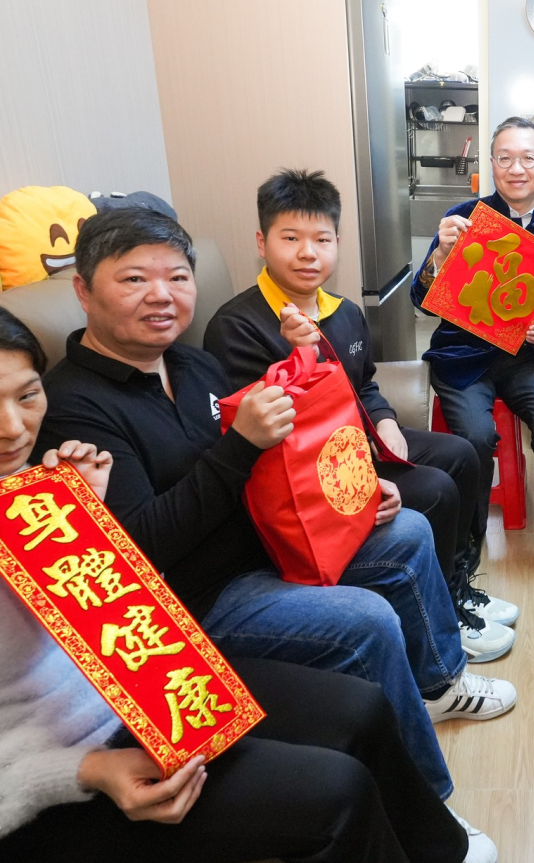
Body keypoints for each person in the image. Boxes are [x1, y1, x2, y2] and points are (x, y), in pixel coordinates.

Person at [0, 297, 496, 863]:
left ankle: (437, 850)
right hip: (42, 780)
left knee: (359, 708)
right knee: (336, 789)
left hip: (135, 696)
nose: (12, 427)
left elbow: (106, 623)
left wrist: (88, 523)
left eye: (27, 395)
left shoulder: (28, 489)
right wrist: (82, 773)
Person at [34, 207, 517, 805]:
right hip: (202, 598)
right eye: (134, 279)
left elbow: (283, 456)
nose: (161, 296)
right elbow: (139, 551)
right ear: (83, 289)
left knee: (409, 528)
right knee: (367, 620)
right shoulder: (71, 409)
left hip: (267, 544)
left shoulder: (191, 363)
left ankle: (440, 685)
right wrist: (240, 445)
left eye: (177, 277)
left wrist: (355, 491)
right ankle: (427, 803)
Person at [204, 168, 518, 664]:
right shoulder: (236, 326)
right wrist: (365, 475)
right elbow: (269, 435)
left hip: (361, 442)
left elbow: (366, 383)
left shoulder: (345, 310)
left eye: (322, 239)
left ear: (336, 243)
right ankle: (437, 616)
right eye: (291, 238)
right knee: (434, 489)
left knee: (462, 453)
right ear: (262, 243)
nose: (308, 253)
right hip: (311, 469)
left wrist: (386, 423)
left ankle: (456, 585)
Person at [411, 117, 534, 594]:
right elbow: (419, 297)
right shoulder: (464, 218)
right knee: (475, 435)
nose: (517, 168)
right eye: (505, 158)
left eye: (528, 158)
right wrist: (439, 257)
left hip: (527, 358)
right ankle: (468, 538)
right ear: (491, 164)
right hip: (463, 357)